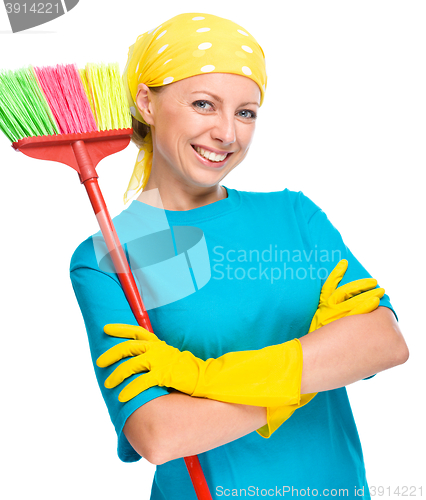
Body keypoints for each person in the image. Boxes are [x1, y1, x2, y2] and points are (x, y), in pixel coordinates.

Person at [70, 12, 409, 500]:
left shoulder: (294, 216)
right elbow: (159, 434)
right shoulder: (106, 260)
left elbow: (384, 342)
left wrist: (199, 377)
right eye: (204, 104)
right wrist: (321, 364)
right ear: (146, 102)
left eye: (246, 112)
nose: (227, 133)